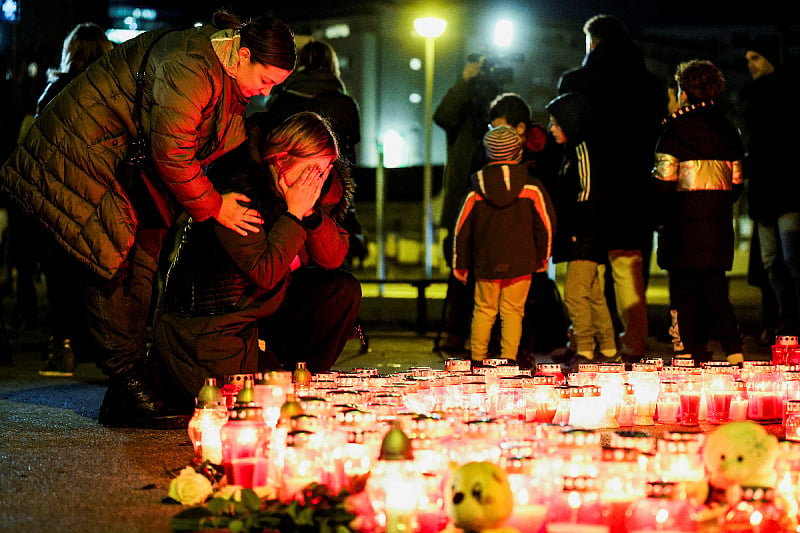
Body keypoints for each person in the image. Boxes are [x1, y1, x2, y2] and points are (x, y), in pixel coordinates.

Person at [0, 11, 296, 428]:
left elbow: (218, 144)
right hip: (85, 161)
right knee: (112, 266)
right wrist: (215, 206)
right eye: (265, 81)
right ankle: (126, 384)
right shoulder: (191, 67)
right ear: (243, 55)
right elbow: (172, 153)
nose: (264, 93)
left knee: (140, 266)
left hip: (128, 172)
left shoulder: (225, 72)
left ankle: (132, 384)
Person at [152, 112, 361, 405]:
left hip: (261, 312)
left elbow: (333, 258)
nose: (319, 179)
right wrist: (293, 215)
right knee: (251, 404)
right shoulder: (241, 195)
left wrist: (310, 214)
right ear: (281, 161)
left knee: (341, 290)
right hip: (212, 328)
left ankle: (304, 379)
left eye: (326, 170)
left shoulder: (306, 195)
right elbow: (264, 271)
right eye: (312, 167)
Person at [557, 14, 666, 363]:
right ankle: (632, 343)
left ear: (592, 41)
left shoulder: (576, 81)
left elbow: (567, 137)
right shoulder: (650, 84)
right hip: (634, 189)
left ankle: (584, 341)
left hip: (589, 189)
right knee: (628, 269)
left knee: (586, 270)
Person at [31, 23, 115, 376]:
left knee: (61, 275)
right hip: (102, 196)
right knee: (101, 273)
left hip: (59, 197)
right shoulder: (112, 92)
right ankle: (108, 350)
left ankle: (61, 348)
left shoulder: (54, 91)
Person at [652, 59, 744, 365]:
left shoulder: (674, 130)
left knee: (683, 297)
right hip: (717, 227)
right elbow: (737, 183)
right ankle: (735, 354)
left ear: (684, 91)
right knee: (718, 294)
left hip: (681, 229)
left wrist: (660, 218)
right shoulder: (729, 130)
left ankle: (684, 356)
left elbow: (662, 185)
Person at [249, 39, 366, 267]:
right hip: (329, 194)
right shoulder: (346, 104)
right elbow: (352, 152)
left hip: (282, 192)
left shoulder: (281, 99)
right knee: (334, 271)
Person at [452, 125, 554, 364]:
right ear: (518, 153)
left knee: (484, 311)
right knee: (513, 312)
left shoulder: (475, 191)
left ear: (488, 154)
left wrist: (461, 263)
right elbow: (546, 225)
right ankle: (509, 359)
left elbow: (462, 230)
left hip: (486, 263)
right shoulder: (531, 188)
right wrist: (543, 257)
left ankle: (477, 359)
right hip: (522, 262)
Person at [433, 55, 504, 354]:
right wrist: (465, 81)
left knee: (495, 267)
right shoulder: (462, 115)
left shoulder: (499, 109)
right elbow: (442, 115)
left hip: (494, 205)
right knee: (459, 267)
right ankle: (454, 330)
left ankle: (493, 333)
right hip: (461, 201)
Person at [546, 92, 617, 364]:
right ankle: (609, 348)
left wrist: (576, 228)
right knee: (593, 294)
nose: (552, 129)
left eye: (556, 123)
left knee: (574, 294)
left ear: (570, 122)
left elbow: (588, 194)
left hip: (586, 235)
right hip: (584, 233)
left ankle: (585, 348)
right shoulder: (572, 151)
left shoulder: (582, 150)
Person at [739, 37, 800, 338]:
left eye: (756, 58)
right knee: (773, 261)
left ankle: (791, 317)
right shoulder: (750, 96)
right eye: (748, 59)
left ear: (771, 60)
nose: (750, 64)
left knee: (789, 258)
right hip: (765, 191)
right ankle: (786, 317)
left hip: (787, 191)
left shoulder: (786, 92)